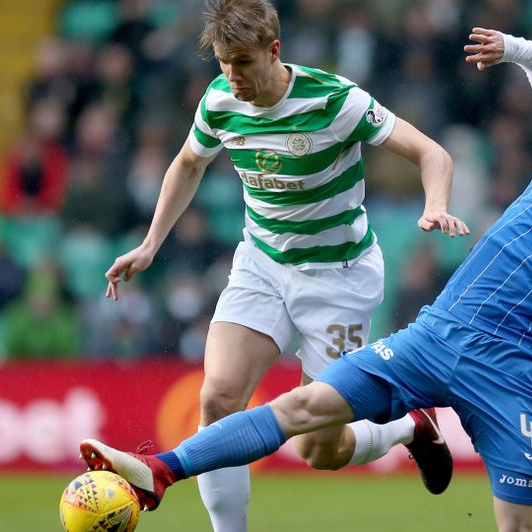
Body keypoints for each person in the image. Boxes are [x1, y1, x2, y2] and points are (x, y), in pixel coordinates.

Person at [82, 27, 532, 531]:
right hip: (431, 337)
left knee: (519, 531)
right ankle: (159, 472)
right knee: (301, 409)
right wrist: (511, 48)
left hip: (506, 375)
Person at [101, 1, 469, 530]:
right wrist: (151, 243)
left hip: (339, 279)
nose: (234, 76)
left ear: (274, 51)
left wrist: (434, 205)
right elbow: (187, 163)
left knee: (321, 451)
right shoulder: (220, 100)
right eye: (224, 63)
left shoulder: (335, 100)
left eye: (244, 62)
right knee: (217, 398)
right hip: (263, 264)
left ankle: (408, 428)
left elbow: (433, 153)